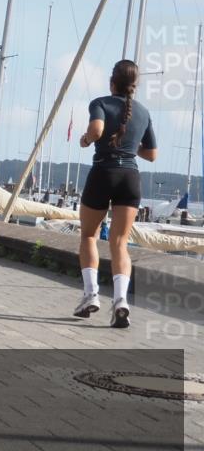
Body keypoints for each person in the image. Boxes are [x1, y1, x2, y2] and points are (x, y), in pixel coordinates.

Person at [74, 60, 157, 328]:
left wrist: (86, 140)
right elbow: (152, 154)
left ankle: (91, 295)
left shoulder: (100, 103)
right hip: (130, 178)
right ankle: (121, 301)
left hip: (103, 173)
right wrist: (130, 146)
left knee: (89, 234)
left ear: (112, 83)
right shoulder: (143, 112)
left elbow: (96, 130)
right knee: (120, 243)